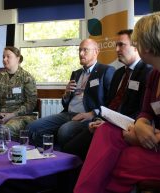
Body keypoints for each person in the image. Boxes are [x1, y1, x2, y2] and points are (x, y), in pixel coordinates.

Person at [74, 12, 160, 193]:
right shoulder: (156, 73)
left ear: (146, 46)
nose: (136, 46)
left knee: (120, 160)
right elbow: (146, 111)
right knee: (106, 130)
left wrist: (148, 138)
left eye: (136, 42)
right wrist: (140, 124)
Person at [62, 29, 152, 161]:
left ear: (136, 47)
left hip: (127, 128)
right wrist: (100, 119)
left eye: (121, 45)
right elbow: (110, 104)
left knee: (73, 147)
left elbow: (142, 111)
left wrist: (111, 124)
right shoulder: (119, 73)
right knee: (69, 149)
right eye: (116, 45)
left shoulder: (148, 72)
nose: (116, 49)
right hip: (106, 122)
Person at [27, 38, 115, 148]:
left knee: (64, 131)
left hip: (87, 116)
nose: (81, 53)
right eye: (79, 50)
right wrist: (66, 94)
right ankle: (50, 155)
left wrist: (93, 113)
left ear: (96, 51)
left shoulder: (105, 71)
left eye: (85, 50)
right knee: (32, 127)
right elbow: (66, 103)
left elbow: (112, 101)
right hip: (68, 114)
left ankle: (62, 158)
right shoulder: (76, 74)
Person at [0, 46, 37, 139]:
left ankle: (6, 152)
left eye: (8, 56)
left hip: (20, 116)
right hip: (0, 115)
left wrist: (12, 115)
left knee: (5, 130)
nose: (4, 59)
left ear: (17, 59)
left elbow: (31, 103)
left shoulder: (27, 77)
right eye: (3, 57)